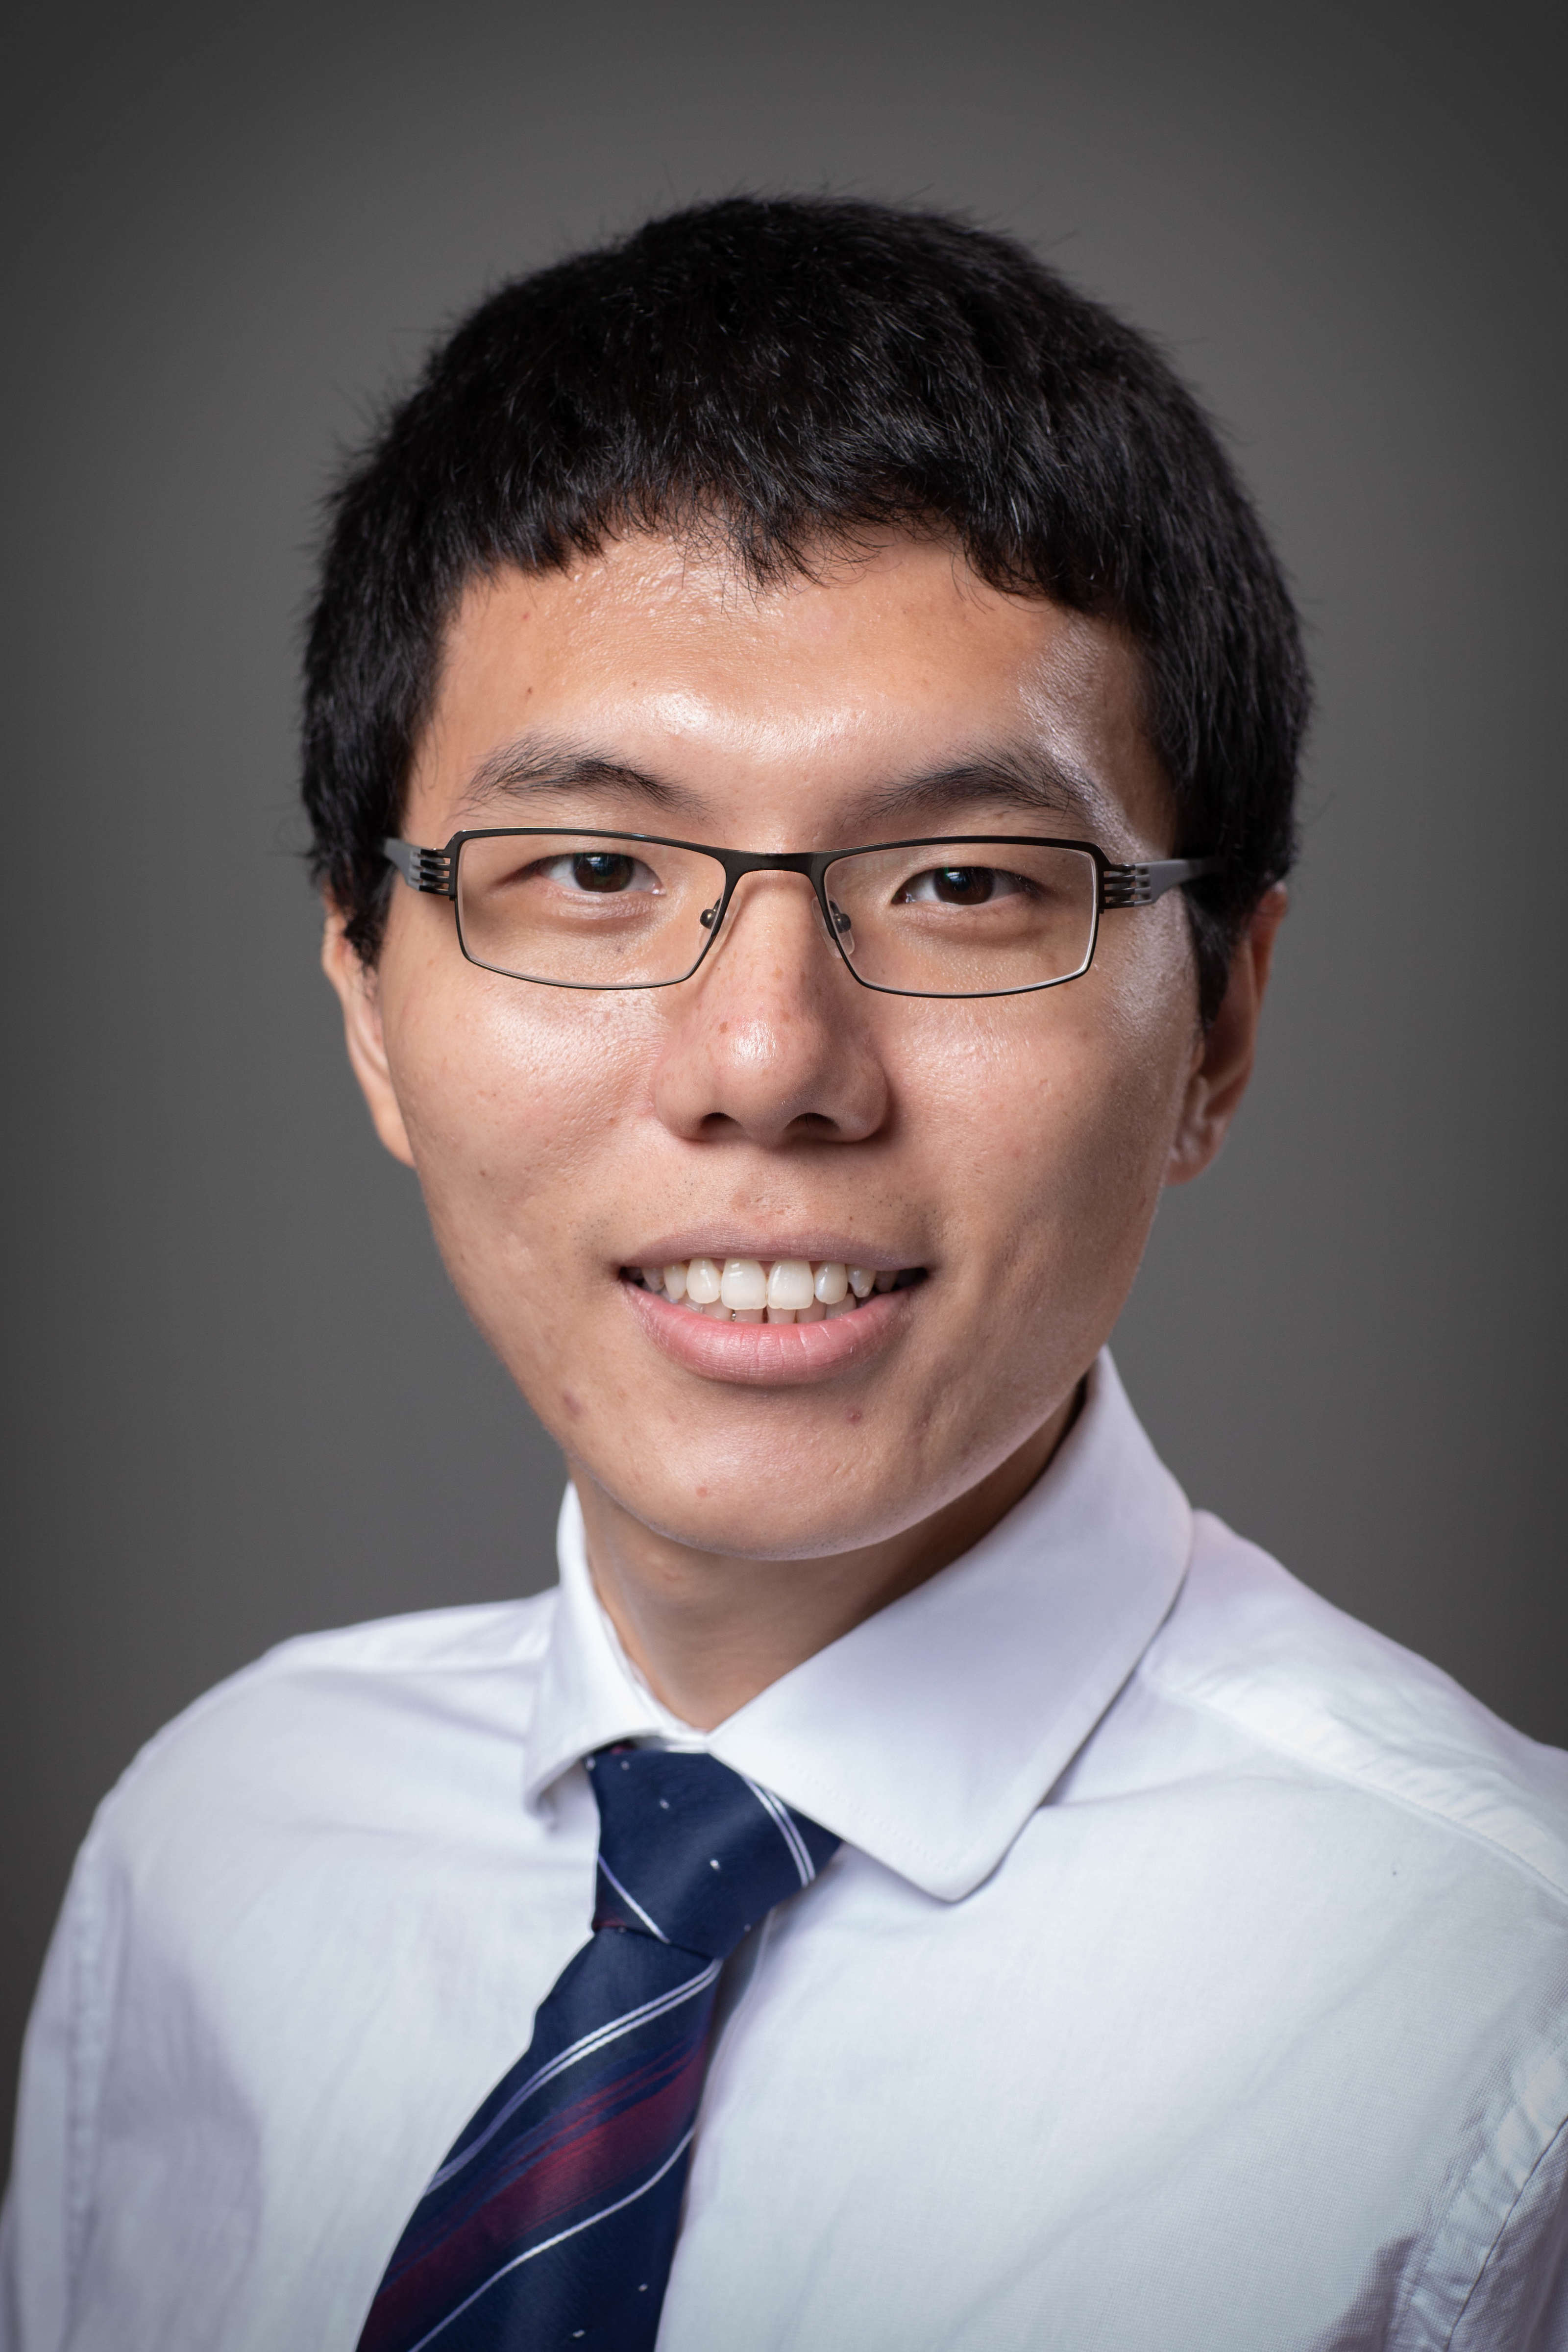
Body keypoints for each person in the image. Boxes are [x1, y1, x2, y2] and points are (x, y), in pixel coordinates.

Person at [3, 194, 1565, 2352]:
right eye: (587, 868)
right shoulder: (211, 1853)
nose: (765, 1064)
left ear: (1216, 1020)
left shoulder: (1505, 2031)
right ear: (368, 996)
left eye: (955, 881)